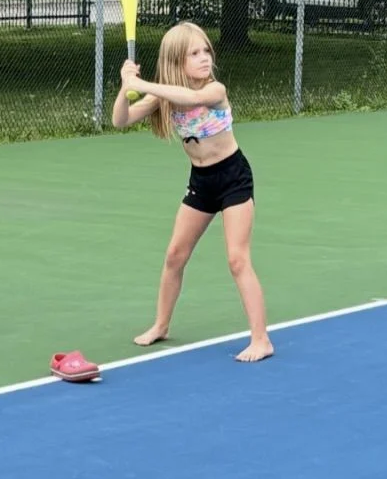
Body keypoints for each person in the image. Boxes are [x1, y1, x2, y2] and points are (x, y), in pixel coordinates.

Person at [112, 21, 273, 362]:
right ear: (176, 61)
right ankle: (161, 325)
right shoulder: (164, 97)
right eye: (194, 53)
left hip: (233, 178)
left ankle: (261, 339)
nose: (204, 58)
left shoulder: (214, 90)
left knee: (237, 258)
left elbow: (194, 98)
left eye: (206, 51)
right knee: (175, 256)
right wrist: (126, 86)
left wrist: (143, 83)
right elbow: (120, 120)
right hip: (201, 182)